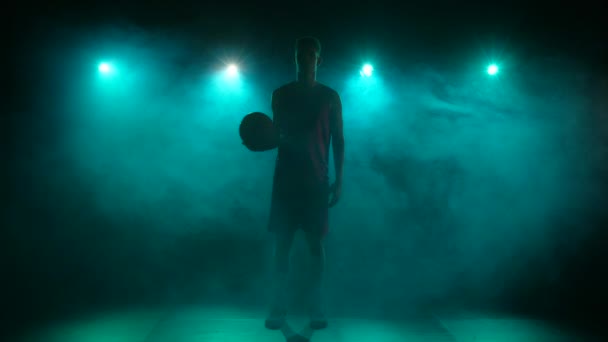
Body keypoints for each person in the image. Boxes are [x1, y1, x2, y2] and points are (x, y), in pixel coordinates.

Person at [265, 36, 344, 330]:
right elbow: (273, 136)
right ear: (295, 58)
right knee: (282, 246)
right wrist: (266, 138)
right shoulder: (280, 94)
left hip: (316, 182)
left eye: (311, 54)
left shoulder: (330, 97)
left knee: (315, 246)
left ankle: (316, 306)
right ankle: (277, 307)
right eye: (301, 53)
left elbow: (339, 139)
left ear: (319, 60)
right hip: (286, 181)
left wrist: (340, 180)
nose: (306, 58)